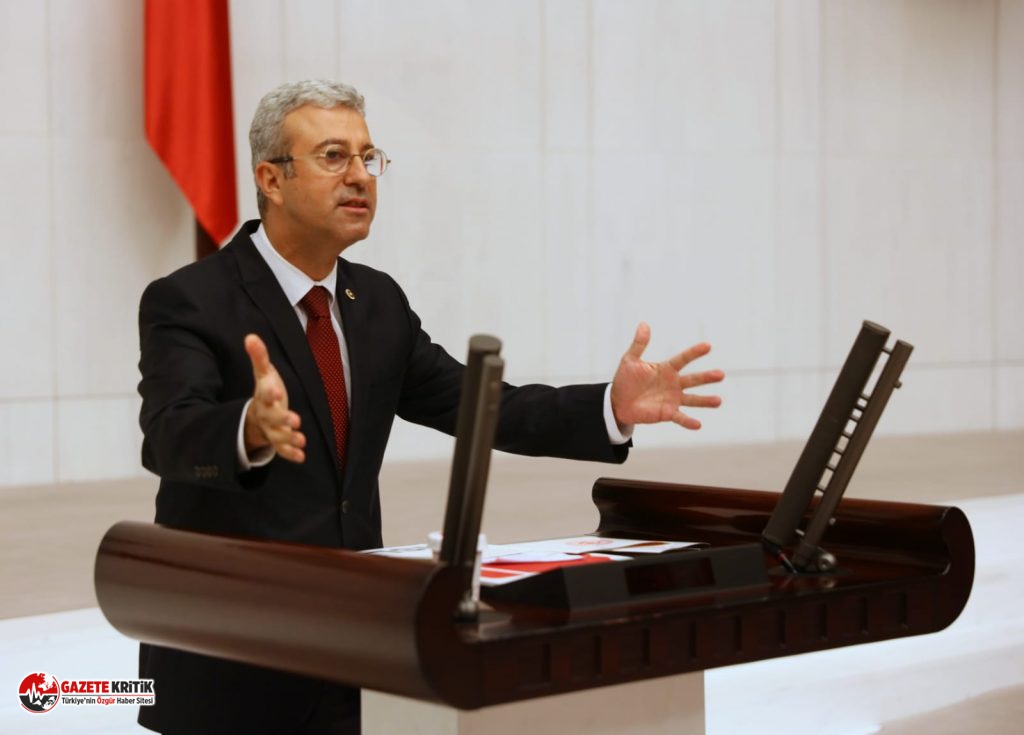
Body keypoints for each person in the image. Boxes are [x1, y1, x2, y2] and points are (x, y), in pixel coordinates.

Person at [136, 79, 724, 735]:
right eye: (334, 156)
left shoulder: (376, 303)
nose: (360, 176)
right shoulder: (191, 299)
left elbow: (480, 406)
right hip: (233, 660)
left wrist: (608, 408)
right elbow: (168, 434)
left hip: (354, 650)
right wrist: (247, 429)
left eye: (369, 157)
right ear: (271, 178)